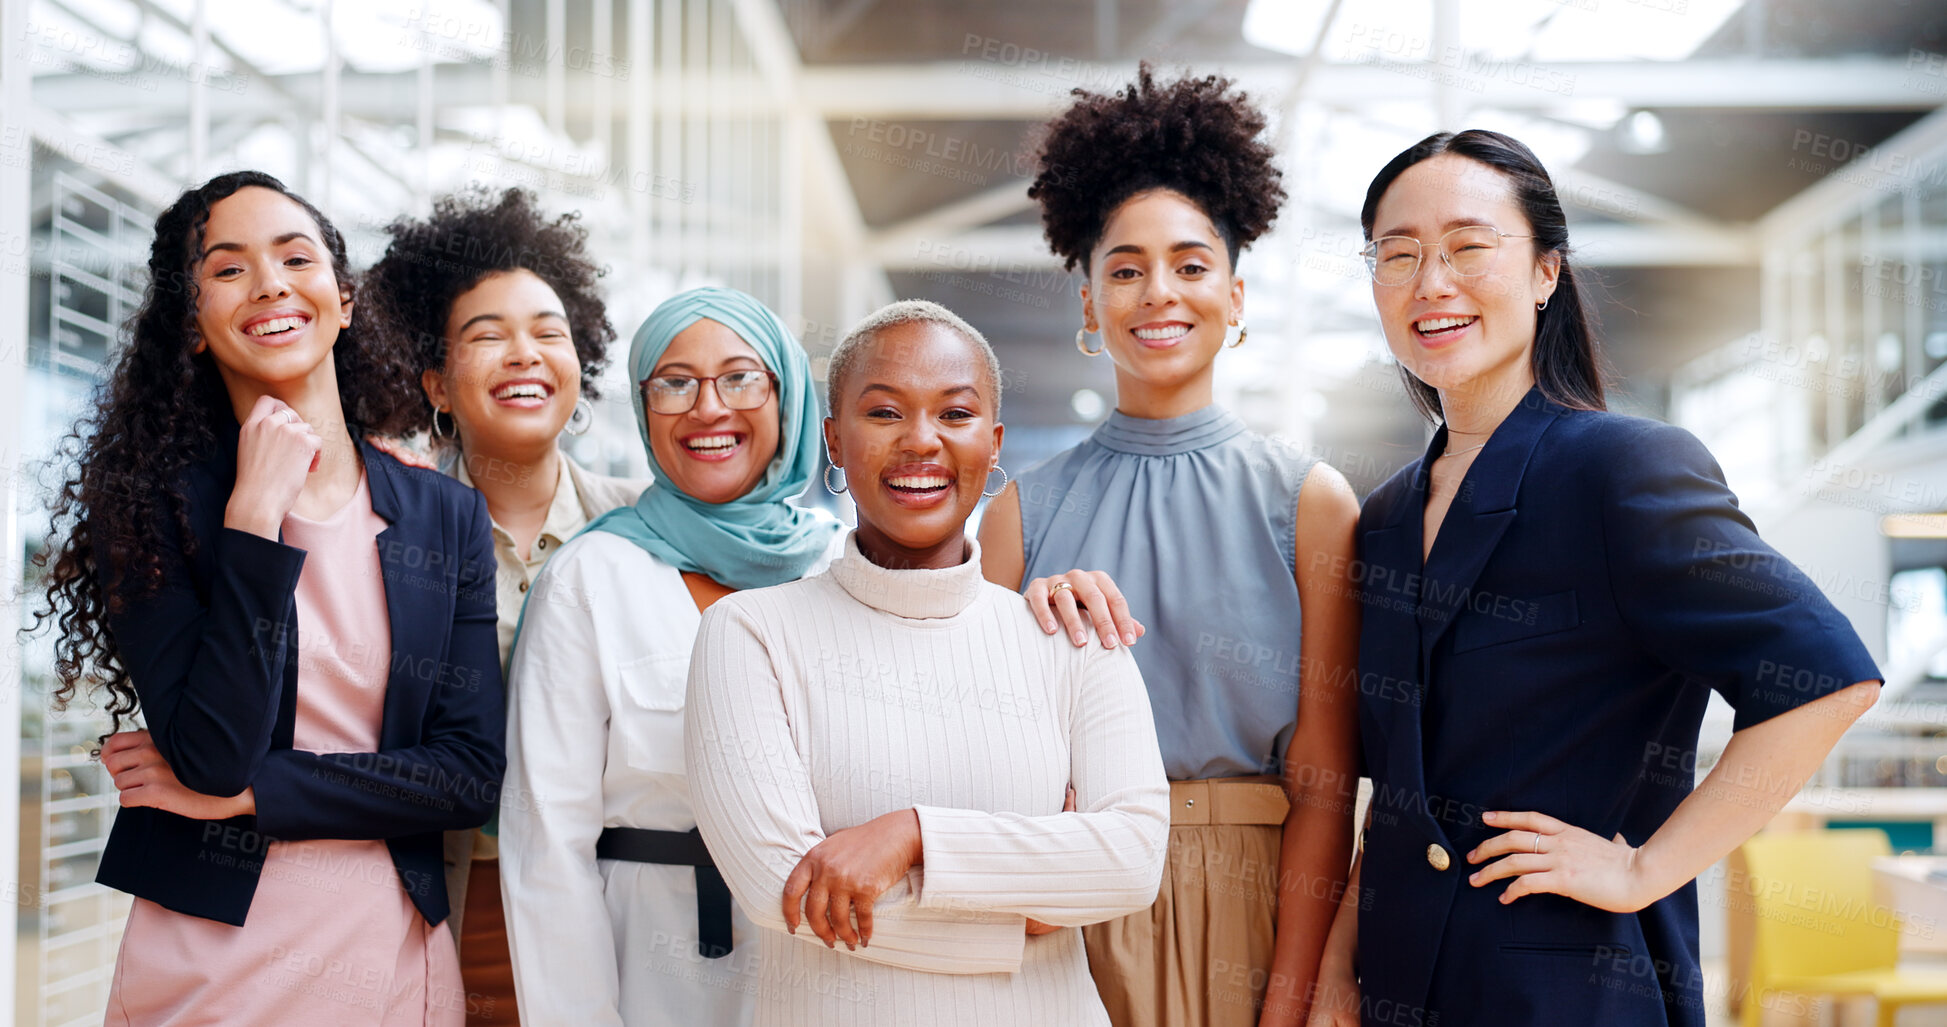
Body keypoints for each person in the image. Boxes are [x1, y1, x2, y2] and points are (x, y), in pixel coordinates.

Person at [1324, 129, 1881, 1026]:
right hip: (1396, 988)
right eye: (1398, 255)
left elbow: (1821, 677)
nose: (1431, 282)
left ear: (1546, 271)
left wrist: (1642, 867)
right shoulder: (1383, 517)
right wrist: (1334, 974)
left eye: (1468, 246)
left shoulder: (1623, 470)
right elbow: (1396, 798)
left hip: (1568, 987)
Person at [32, 170, 503, 1025]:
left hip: (389, 948)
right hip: (212, 958)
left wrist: (260, 793)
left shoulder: (444, 513)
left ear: (344, 297)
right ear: (194, 327)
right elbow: (211, 752)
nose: (271, 284)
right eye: (227, 269)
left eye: (295, 256)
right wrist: (253, 518)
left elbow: (468, 775)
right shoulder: (147, 507)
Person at [982, 66, 1363, 1027]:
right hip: (1067, 907)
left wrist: (1290, 998)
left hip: (1258, 902)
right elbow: (981, 749)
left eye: (1191, 266)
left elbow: (1323, 782)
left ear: (1235, 296)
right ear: (1086, 304)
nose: (1159, 292)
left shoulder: (1310, 503)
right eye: (1124, 268)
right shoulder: (1018, 515)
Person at [686, 299, 1172, 1027]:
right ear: (834, 441)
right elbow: (778, 888)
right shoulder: (750, 633)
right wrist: (1024, 909)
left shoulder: (1069, 635)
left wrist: (912, 833)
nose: (921, 441)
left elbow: (1130, 858)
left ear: (994, 440)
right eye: (883, 413)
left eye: (954, 414)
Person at [363, 186, 648, 1021]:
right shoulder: (377, 536)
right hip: (438, 909)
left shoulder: (642, 531)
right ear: (437, 386)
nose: (524, 353)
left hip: (609, 910)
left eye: (547, 333)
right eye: (487, 337)